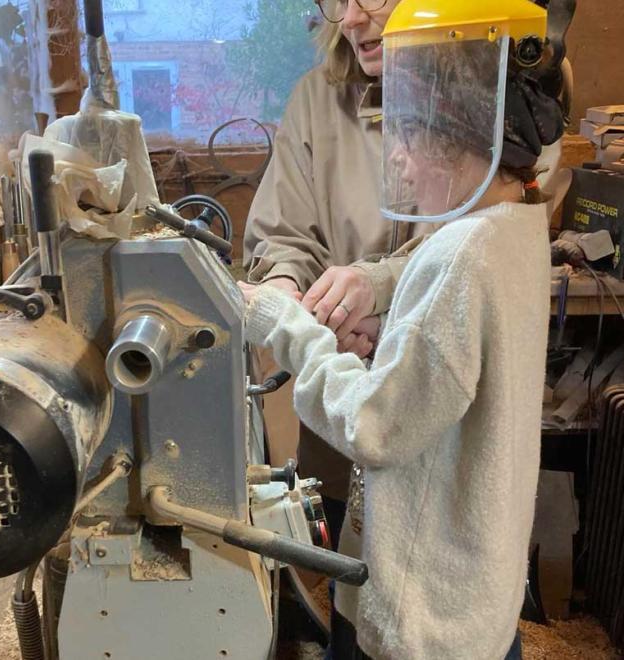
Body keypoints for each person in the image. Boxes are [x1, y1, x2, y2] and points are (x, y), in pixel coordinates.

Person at [240, 0, 565, 657]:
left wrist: (294, 325)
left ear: (464, 123)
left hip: (422, 617)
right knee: (356, 569)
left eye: (411, 135)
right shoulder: (517, 226)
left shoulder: (462, 255)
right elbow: (288, 241)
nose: (401, 164)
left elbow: (376, 425)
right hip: (456, 580)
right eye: (338, 0)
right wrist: (326, 297)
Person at [242, 0, 422, 541]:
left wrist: (377, 288)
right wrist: (282, 291)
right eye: (337, 2)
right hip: (342, 383)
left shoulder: (489, 93)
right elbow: (284, 232)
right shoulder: (317, 98)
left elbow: (476, 243)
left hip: (432, 388)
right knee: (346, 563)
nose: (349, 18)